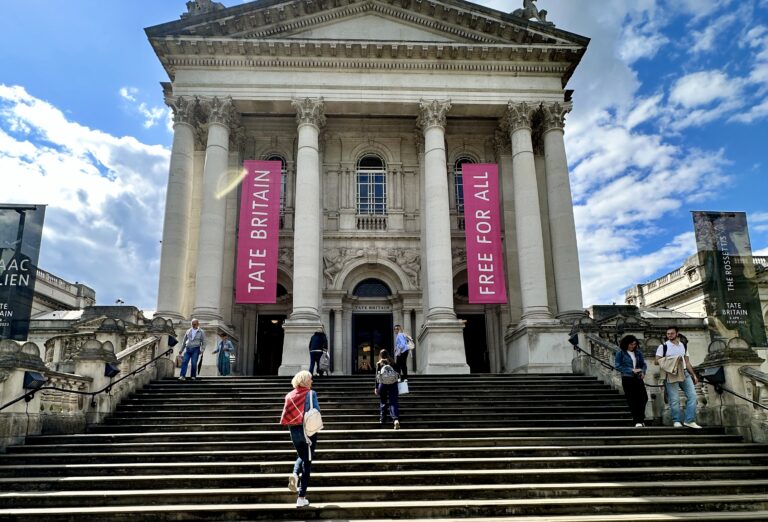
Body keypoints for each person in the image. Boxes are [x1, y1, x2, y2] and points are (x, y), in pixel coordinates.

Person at [279, 370, 320, 508]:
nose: (312, 381)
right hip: (308, 431)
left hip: (294, 431)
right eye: (310, 379)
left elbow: (286, 414)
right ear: (305, 381)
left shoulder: (289, 395)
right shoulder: (311, 393)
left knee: (301, 455)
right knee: (307, 463)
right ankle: (301, 497)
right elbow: (316, 411)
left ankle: (295, 474)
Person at [655, 326, 701, 429]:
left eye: (671, 333)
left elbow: (687, 362)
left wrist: (693, 375)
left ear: (677, 334)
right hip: (671, 373)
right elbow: (656, 361)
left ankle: (689, 420)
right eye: (668, 334)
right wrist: (672, 360)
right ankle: (676, 420)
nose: (669, 335)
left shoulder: (683, 346)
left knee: (693, 396)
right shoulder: (663, 346)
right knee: (674, 399)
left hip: (685, 373)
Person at [615, 335, 648, 427]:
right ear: (626, 344)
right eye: (631, 344)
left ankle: (640, 419)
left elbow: (643, 364)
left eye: (634, 344)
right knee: (632, 400)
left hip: (638, 378)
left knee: (644, 398)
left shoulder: (638, 353)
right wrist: (631, 370)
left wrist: (643, 372)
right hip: (627, 378)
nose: (633, 346)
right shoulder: (620, 353)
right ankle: (637, 421)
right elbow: (618, 366)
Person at [374, 349, 400, 429]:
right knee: (393, 401)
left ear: (380, 355)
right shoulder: (393, 362)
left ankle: (382, 419)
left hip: (383, 384)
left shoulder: (379, 364)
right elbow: (398, 374)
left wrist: (376, 387)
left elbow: (377, 377)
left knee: (383, 400)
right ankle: (395, 419)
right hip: (393, 384)